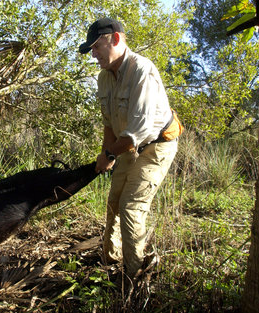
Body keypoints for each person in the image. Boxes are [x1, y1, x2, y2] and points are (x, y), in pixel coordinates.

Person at [79, 18, 179, 279]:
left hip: (156, 145)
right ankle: (110, 263)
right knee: (114, 202)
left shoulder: (142, 70)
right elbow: (109, 124)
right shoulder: (104, 77)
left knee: (131, 205)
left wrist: (111, 154)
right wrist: (105, 153)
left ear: (115, 39)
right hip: (126, 147)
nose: (94, 54)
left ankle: (134, 277)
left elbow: (139, 131)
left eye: (96, 47)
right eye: (91, 49)